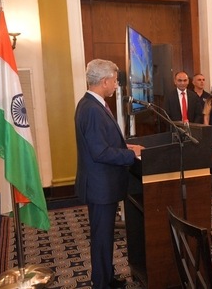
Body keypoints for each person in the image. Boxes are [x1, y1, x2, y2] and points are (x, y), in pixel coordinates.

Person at [75, 59, 144, 289]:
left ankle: (106, 276)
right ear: (104, 81)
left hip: (101, 184)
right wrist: (129, 156)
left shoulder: (92, 105)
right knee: (102, 238)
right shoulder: (92, 110)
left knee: (104, 237)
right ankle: (102, 284)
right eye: (114, 81)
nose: (116, 86)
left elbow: (104, 142)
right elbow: (100, 152)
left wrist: (126, 148)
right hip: (100, 186)